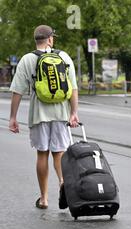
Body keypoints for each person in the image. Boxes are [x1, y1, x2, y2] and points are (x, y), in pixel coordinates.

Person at [9, 25, 79, 209]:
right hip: (60, 113)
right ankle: (63, 181)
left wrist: (13, 117)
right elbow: (72, 88)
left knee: (42, 154)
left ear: (36, 40)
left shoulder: (27, 59)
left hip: (39, 114)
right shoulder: (63, 57)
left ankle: (44, 199)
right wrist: (73, 113)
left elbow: (17, 91)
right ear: (50, 39)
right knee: (59, 153)